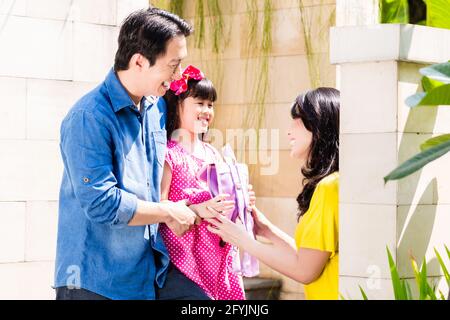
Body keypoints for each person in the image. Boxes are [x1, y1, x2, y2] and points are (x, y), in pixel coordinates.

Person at [54, 7, 197, 300]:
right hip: (93, 283)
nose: (180, 75)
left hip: (146, 271)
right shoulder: (89, 117)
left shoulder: (155, 106)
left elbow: (153, 183)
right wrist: (168, 212)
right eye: (174, 64)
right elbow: (102, 203)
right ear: (139, 62)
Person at [206, 87, 340, 300]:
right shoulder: (331, 183)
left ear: (318, 126)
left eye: (296, 120)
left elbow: (305, 271)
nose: (288, 131)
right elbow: (308, 257)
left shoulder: (329, 188)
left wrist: (244, 240)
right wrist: (266, 230)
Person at [156, 66, 255, 300]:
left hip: (220, 254)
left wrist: (241, 199)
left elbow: (224, 198)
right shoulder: (169, 155)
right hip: (185, 259)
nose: (206, 110)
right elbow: (160, 206)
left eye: (210, 105)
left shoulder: (213, 153)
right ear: (178, 104)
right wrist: (195, 209)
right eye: (199, 102)